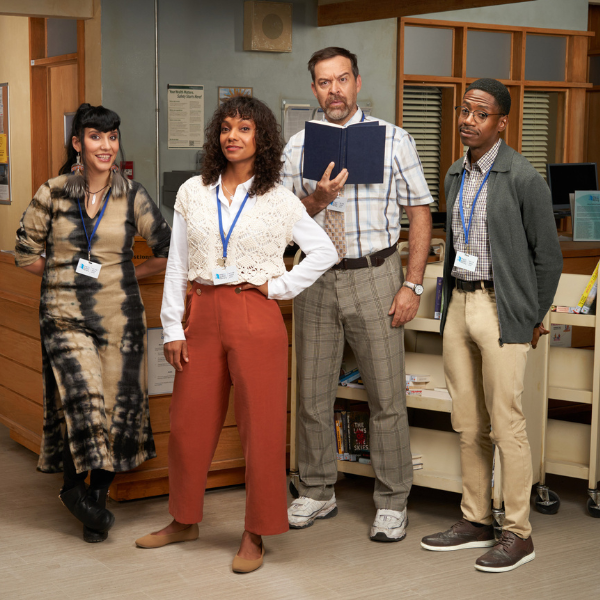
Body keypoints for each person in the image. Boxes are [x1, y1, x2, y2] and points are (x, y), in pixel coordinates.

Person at [134, 96, 337, 573]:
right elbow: (179, 265)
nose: (232, 136)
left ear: (261, 139)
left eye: (244, 128)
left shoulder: (280, 199)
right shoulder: (192, 193)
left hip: (255, 312)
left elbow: (323, 251)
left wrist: (280, 286)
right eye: (226, 127)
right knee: (187, 424)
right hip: (201, 313)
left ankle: (255, 532)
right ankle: (184, 518)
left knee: (262, 429)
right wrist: (171, 327)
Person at [282, 47, 433, 541]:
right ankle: (317, 490)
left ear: (357, 81)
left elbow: (419, 213)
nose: (335, 91)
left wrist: (412, 283)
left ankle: (392, 501)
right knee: (311, 393)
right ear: (314, 90)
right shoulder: (297, 146)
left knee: (386, 396)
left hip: (375, 273)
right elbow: (281, 223)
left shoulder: (394, 140)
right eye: (324, 83)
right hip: (316, 277)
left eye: (342, 79)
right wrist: (316, 199)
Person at [420, 79, 563, 572]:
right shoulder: (456, 172)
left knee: (507, 424)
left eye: (481, 114)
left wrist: (532, 315)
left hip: (502, 309)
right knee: (468, 423)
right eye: (465, 110)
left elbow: (549, 259)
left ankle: (518, 532)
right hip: (458, 303)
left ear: (501, 123)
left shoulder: (523, 178)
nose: (468, 120)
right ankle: (476, 519)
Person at [14, 103, 171, 543]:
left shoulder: (131, 194)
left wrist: (126, 274)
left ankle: (94, 506)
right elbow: (25, 250)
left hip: (120, 316)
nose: (106, 145)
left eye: (112, 137)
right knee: (79, 400)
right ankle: (70, 490)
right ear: (78, 143)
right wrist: (62, 273)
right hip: (63, 316)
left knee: (112, 410)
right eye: (96, 136)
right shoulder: (55, 190)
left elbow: (165, 249)